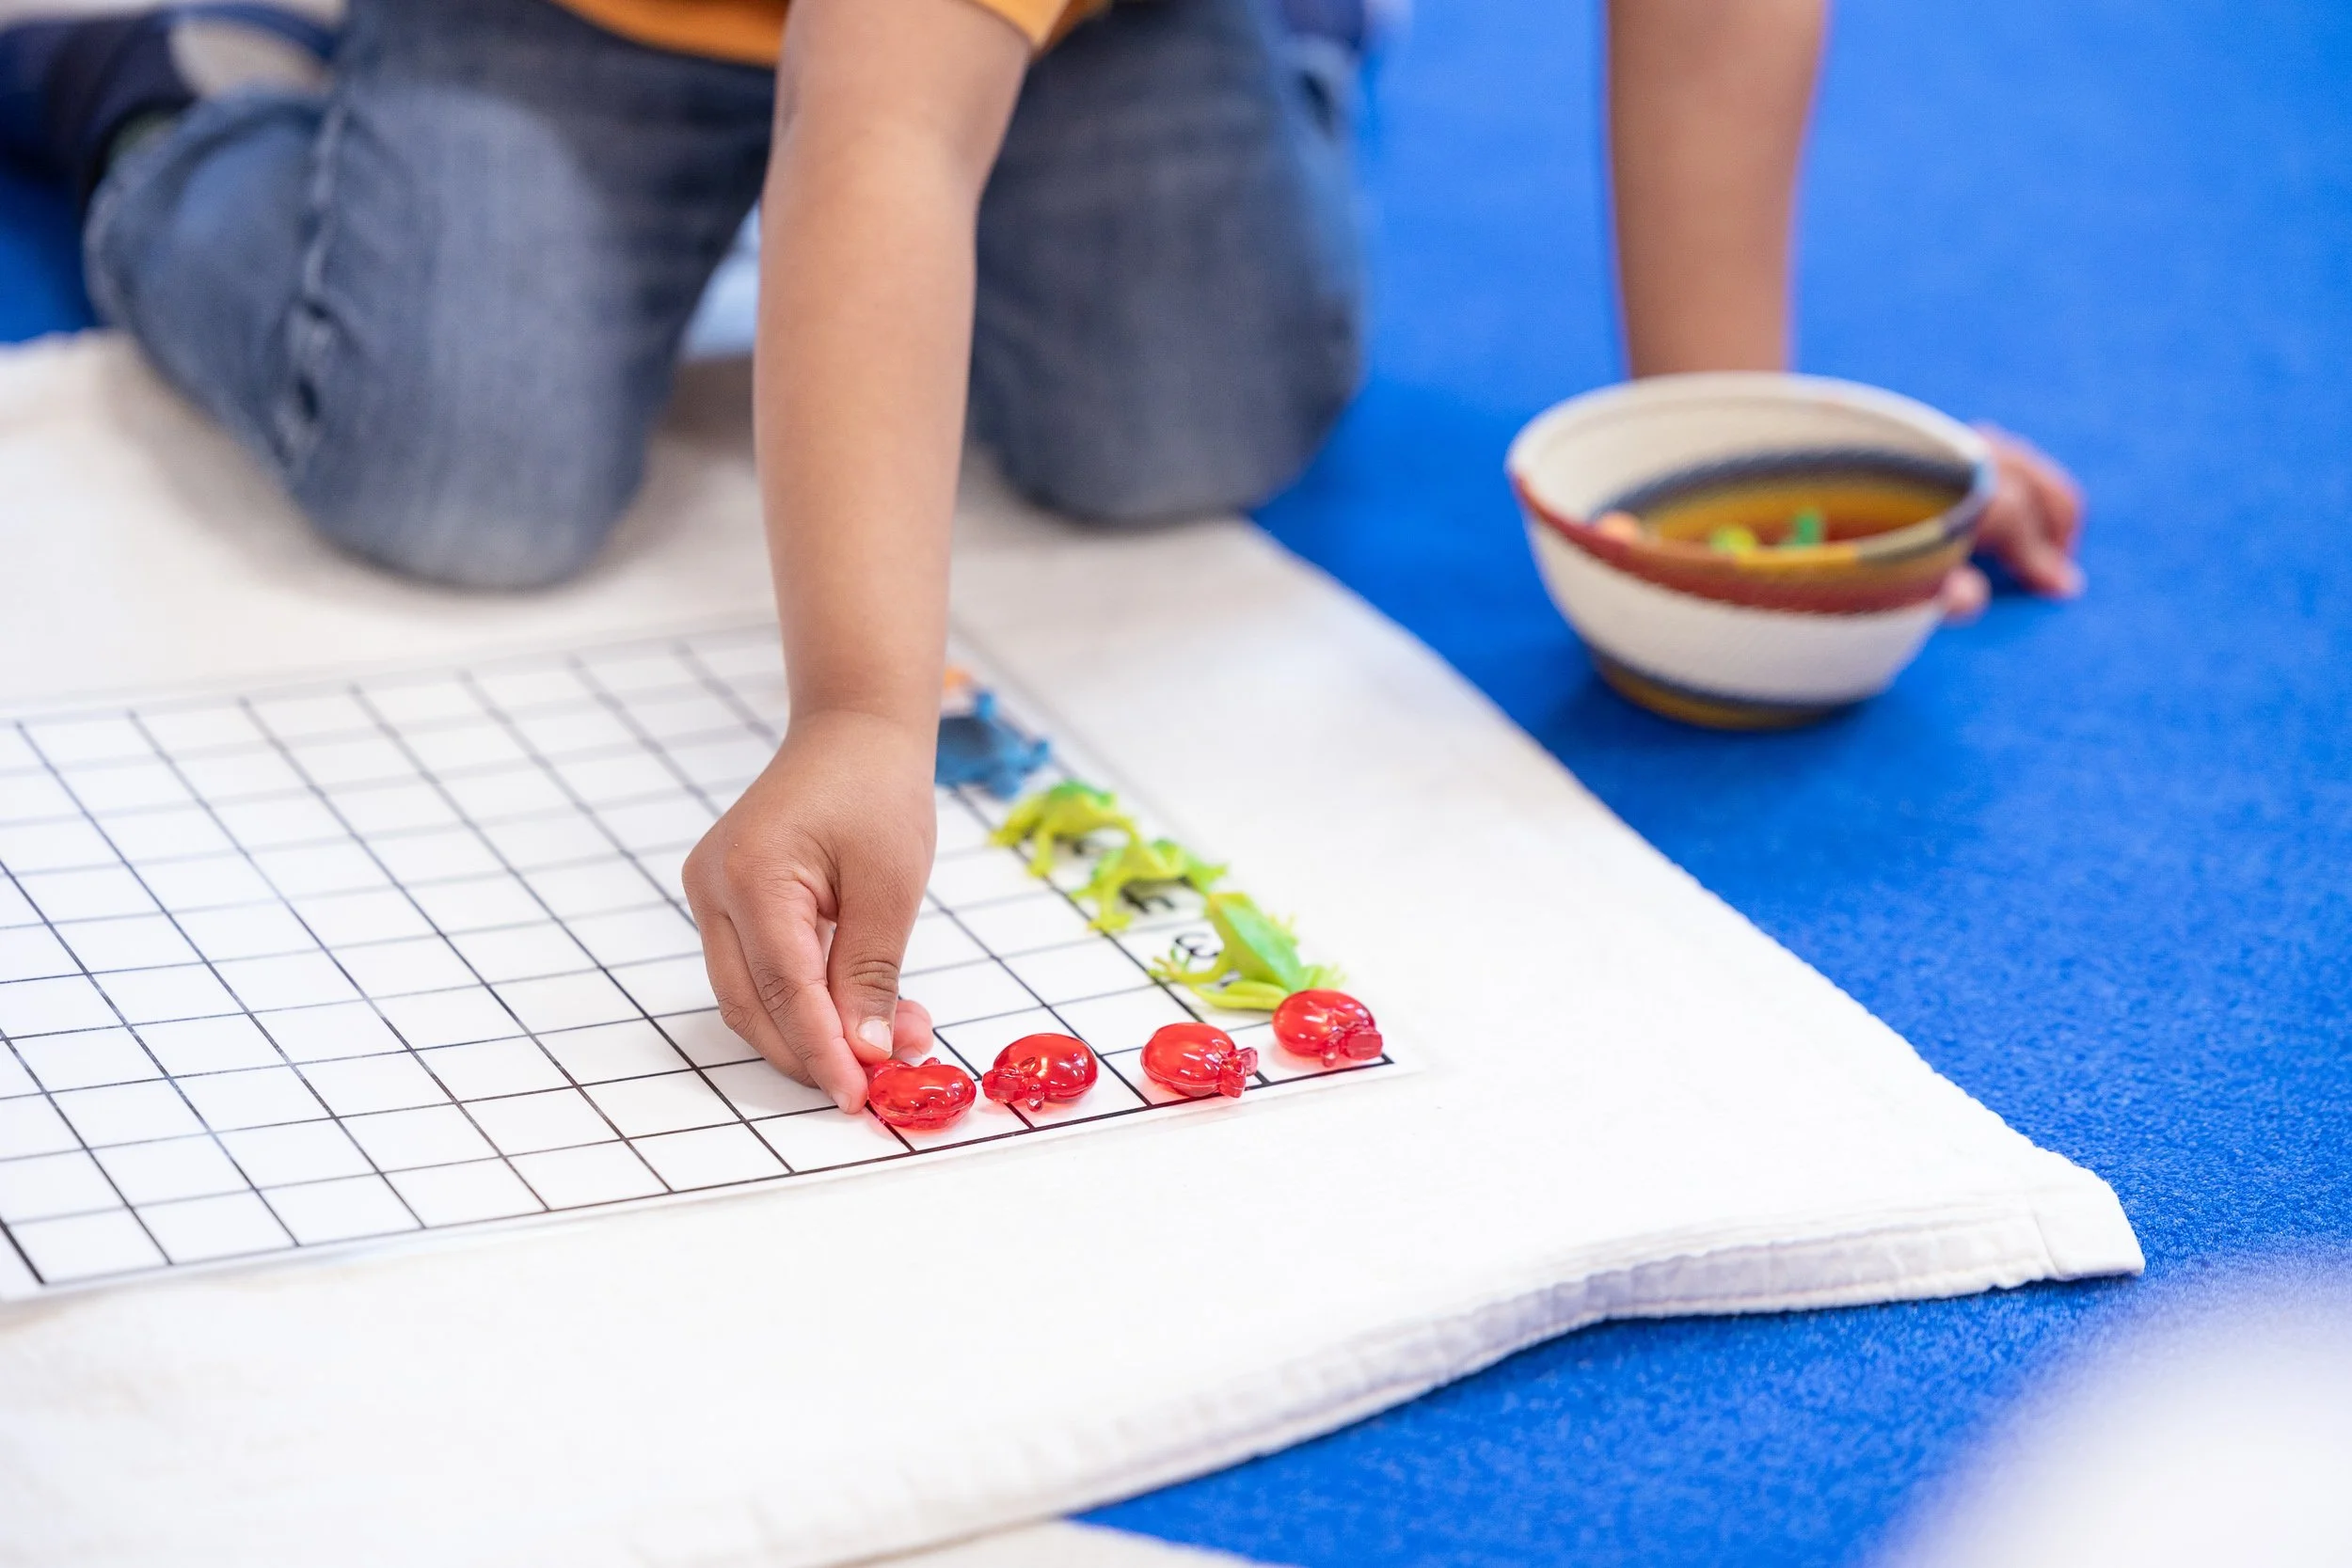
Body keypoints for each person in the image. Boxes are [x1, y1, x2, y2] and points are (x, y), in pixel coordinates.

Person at [0, 0, 2083, 1113]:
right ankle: (180, 75)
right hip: (600, 19)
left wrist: (1729, 458)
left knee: (1187, 422)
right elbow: (878, 128)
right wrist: (854, 706)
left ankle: (1277, 41)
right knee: (453, 463)